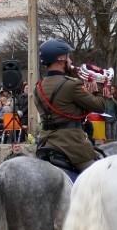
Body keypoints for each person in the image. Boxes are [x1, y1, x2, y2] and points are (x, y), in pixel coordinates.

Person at [34, 39, 107, 174]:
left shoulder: (37, 87)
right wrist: (98, 90)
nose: (71, 61)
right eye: (68, 57)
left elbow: (63, 108)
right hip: (70, 144)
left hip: (45, 142)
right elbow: (100, 106)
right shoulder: (71, 84)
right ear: (60, 59)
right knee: (100, 175)